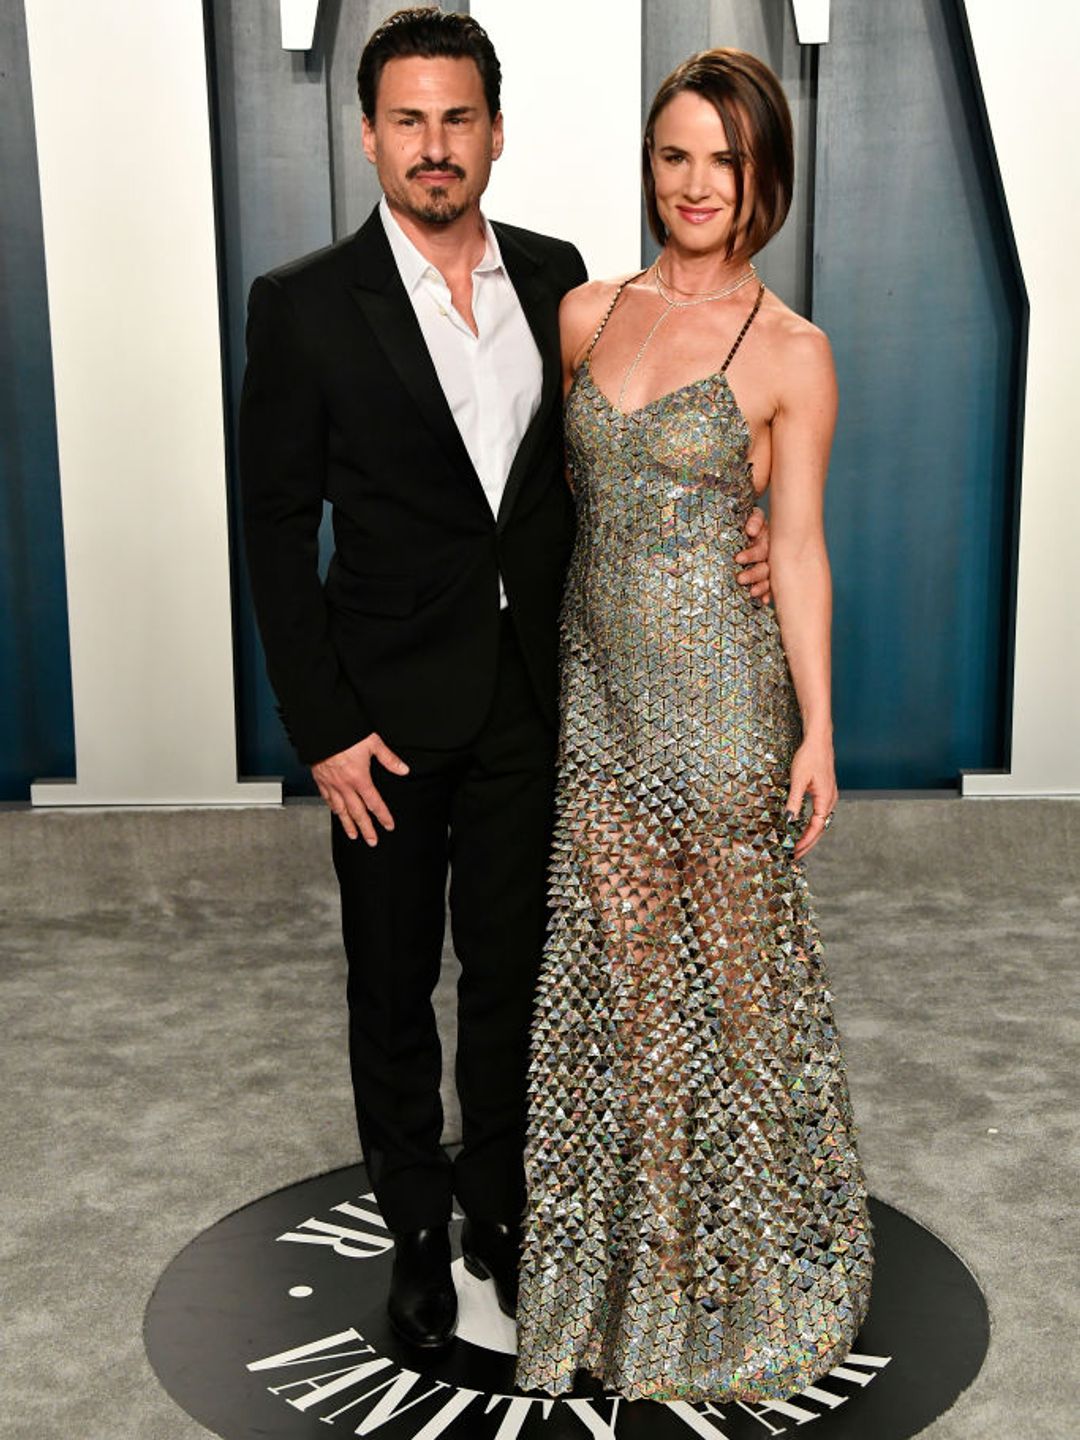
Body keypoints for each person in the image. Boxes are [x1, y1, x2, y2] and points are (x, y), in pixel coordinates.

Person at [239, 10, 773, 1352]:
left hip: (537, 699)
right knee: (389, 981)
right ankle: (417, 1233)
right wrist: (326, 728)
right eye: (408, 120)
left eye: (458, 118)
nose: (435, 146)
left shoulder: (561, 280)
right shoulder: (303, 307)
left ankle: (499, 1214)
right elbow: (271, 530)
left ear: (494, 130)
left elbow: (619, 462)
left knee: (511, 978)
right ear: (368, 133)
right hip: (384, 723)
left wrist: (744, 520)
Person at [515, 48, 873, 1402]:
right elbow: (553, 507)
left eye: (724, 157)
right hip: (600, 708)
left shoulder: (793, 353)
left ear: (761, 176)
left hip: (725, 712)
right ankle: (645, 1286)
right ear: (650, 166)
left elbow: (796, 552)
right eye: (677, 154)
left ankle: (771, 1278)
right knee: (626, 998)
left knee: (737, 1000)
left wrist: (818, 732)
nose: (697, 183)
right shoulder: (586, 315)